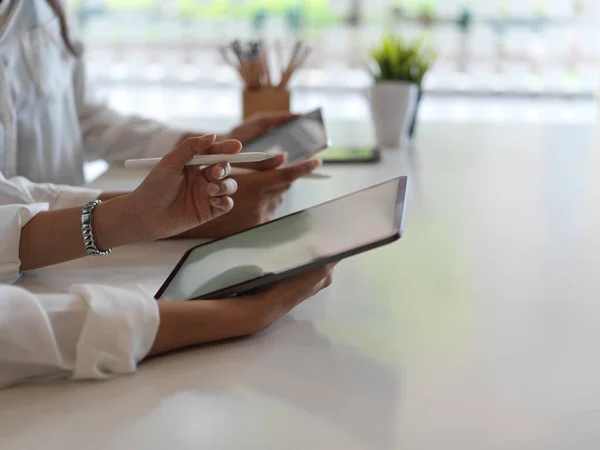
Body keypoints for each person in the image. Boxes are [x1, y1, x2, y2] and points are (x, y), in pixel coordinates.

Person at [0, 0, 335, 387]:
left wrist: (136, 212)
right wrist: (241, 315)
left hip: (56, 260)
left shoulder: (46, 8)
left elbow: (84, 119)